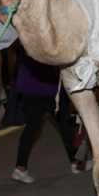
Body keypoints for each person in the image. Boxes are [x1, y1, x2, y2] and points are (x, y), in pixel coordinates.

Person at [11, 48, 79, 184]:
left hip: (32, 85)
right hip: (43, 85)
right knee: (61, 123)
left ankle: (20, 168)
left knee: (35, 127)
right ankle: (76, 163)